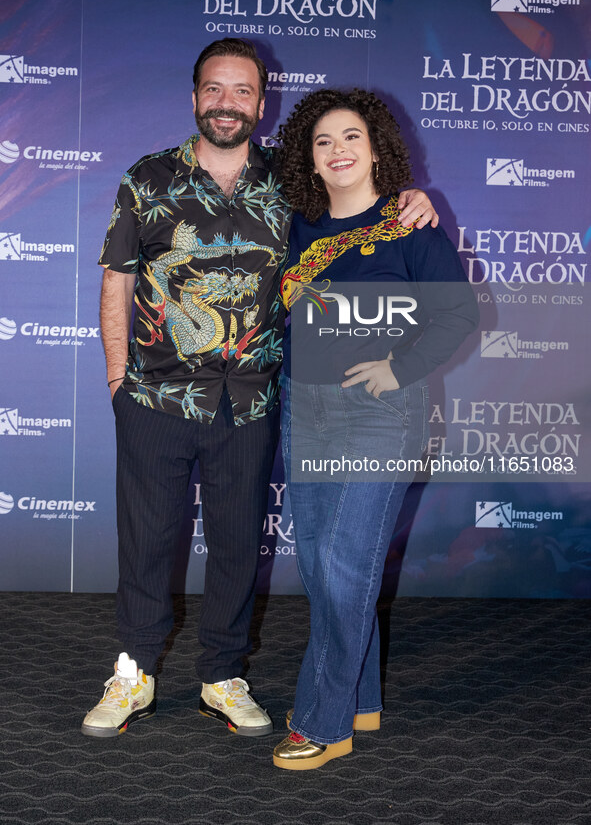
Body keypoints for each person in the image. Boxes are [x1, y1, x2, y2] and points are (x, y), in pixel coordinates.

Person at [82, 39, 439, 739]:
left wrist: (409, 197)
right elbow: (117, 280)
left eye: (241, 91)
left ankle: (221, 675)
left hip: (250, 402)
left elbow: (358, 209)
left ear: (260, 103)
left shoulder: (293, 184)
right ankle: (132, 674)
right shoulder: (148, 179)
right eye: (214, 89)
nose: (226, 102)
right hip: (156, 397)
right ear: (194, 98)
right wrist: (117, 376)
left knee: (239, 545)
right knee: (146, 544)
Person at [273, 88, 478, 769]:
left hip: (379, 413)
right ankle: (359, 694)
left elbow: (455, 315)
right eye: (323, 139)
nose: (337, 150)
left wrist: (399, 365)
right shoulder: (295, 223)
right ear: (307, 154)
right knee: (320, 567)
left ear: (376, 147)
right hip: (305, 408)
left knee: (343, 564)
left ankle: (323, 721)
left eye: (351, 136)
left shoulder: (408, 224)